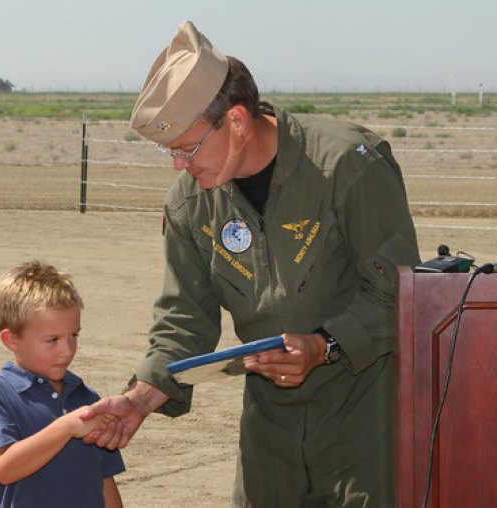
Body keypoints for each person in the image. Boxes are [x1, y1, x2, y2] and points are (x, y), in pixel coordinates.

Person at [81, 20, 420, 508]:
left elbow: (400, 294)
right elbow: (183, 323)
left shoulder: (347, 165)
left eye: (187, 148)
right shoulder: (190, 205)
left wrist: (324, 346)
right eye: (169, 151)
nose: (179, 166)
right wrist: (138, 400)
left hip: (366, 421)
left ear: (236, 121)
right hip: (270, 432)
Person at [0, 260, 125, 508]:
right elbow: (4, 468)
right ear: (11, 339)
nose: (67, 350)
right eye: (52, 340)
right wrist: (66, 427)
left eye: (73, 335)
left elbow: (104, 480)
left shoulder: (86, 398)